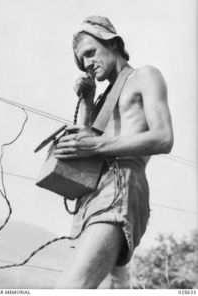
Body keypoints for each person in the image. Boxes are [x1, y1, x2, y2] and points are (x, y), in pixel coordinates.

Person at [54, 15, 174, 289]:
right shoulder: (101, 99)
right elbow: (85, 147)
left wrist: (96, 145)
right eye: (81, 61)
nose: (87, 63)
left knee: (72, 287)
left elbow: (164, 137)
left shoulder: (145, 75)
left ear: (114, 43)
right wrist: (86, 101)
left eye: (91, 53)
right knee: (112, 290)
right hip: (92, 196)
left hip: (120, 187)